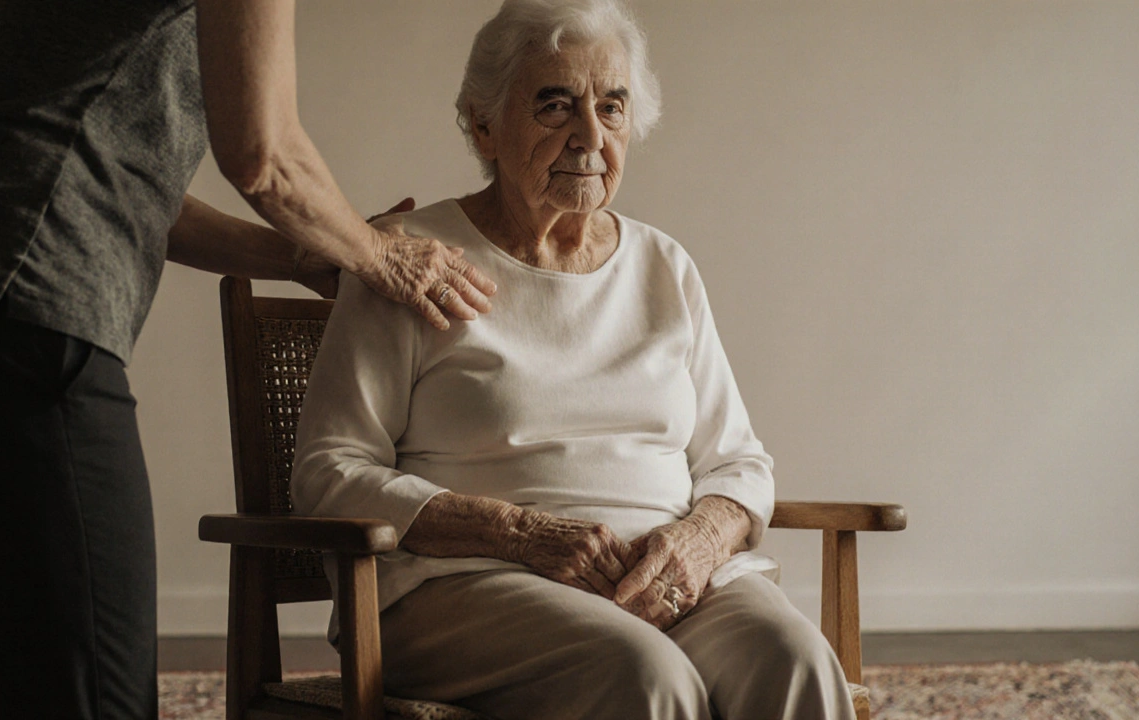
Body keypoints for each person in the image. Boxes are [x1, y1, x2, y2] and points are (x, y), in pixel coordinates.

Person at [0, 1, 496, 718]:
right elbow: (264, 155)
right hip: (16, 312)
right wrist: (379, 253)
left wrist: (305, 255)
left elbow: (133, 186)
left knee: (23, 692)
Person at [289, 1, 856, 718]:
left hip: (666, 578)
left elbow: (739, 463)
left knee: (795, 662)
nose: (590, 136)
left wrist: (701, 539)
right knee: (647, 676)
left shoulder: (663, 266)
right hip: (464, 584)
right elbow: (328, 473)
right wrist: (519, 534)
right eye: (555, 105)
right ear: (483, 125)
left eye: (612, 107)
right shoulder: (413, 260)